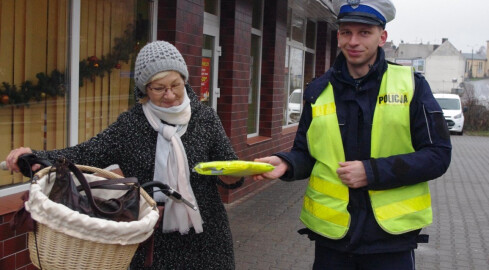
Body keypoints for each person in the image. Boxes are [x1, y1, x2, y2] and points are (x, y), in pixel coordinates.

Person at [5, 41, 243, 269]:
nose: (169, 95)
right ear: (144, 89)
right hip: (150, 239)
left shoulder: (205, 119)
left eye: (176, 85)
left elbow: (229, 165)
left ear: (184, 81)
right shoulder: (130, 126)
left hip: (207, 238)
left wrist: (233, 176)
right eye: (159, 88)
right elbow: (84, 154)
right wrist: (34, 156)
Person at [253, 0, 452, 269]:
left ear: (382, 37)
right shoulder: (318, 90)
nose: (353, 41)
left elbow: (438, 156)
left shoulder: (411, 86)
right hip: (333, 242)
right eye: (346, 32)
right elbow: (307, 153)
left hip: (390, 242)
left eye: (364, 32)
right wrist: (287, 164)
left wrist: (372, 172)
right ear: (338, 36)